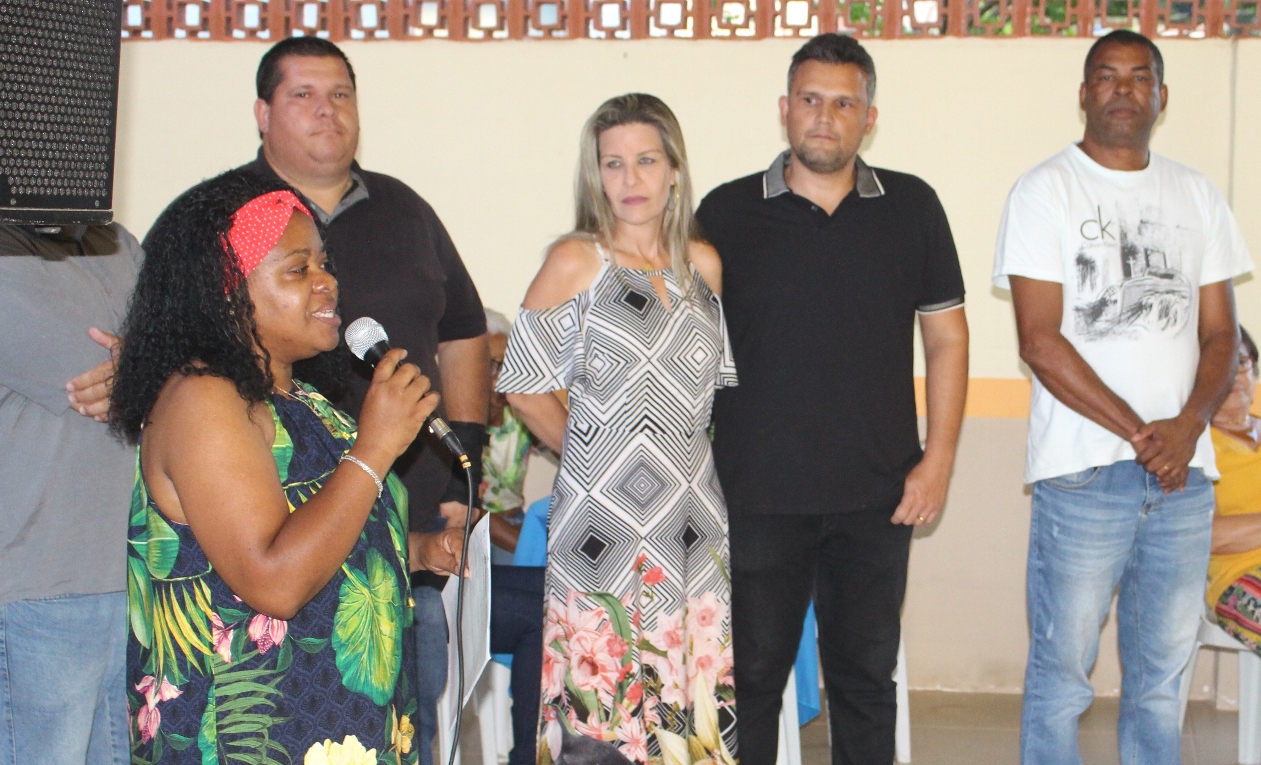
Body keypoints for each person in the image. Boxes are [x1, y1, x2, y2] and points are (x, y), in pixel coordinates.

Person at [695, 34, 969, 765]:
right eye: (810, 99)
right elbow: (684, 341)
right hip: (755, 495)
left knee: (864, 682)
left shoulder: (912, 206)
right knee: (749, 682)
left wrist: (938, 460)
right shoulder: (724, 212)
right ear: (784, 109)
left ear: (868, 118)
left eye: (844, 103)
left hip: (877, 496)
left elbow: (946, 339)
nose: (825, 116)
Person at [221, 37, 490, 764]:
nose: (327, 110)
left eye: (340, 93)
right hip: (265, 592)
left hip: (400, 546)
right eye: (303, 95)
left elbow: (465, 329)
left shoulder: (405, 209)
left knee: (408, 733)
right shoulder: (225, 214)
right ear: (262, 112)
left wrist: (461, 459)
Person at [112, 169, 439, 763]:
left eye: (324, 264)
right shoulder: (203, 401)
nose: (327, 283)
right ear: (227, 289)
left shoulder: (303, 402)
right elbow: (274, 581)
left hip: (338, 727)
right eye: (297, 269)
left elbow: (327, 532)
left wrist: (421, 551)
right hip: (252, 739)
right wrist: (374, 448)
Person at [992, 30, 1252, 764]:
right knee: (1061, 679)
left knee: (1161, 684)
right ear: (1083, 93)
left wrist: (1187, 429)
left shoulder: (1196, 193)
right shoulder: (1045, 190)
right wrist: (1148, 435)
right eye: (1107, 76)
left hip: (1183, 482)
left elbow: (1221, 334)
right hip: (1082, 475)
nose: (1123, 90)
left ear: (1162, 97)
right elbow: (1039, 340)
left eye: (1140, 78)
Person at [499, 93, 738, 765]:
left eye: (646, 161)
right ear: (595, 175)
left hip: (692, 518)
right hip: (601, 525)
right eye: (612, 163)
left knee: (685, 696)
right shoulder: (576, 260)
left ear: (674, 170)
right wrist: (591, 461)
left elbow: (704, 401)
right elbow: (522, 386)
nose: (630, 179)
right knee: (601, 706)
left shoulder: (703, 265)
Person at [0, 223, 142, 765]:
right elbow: (82, 365)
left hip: (134, 579)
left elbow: (195, 343)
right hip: (38, 588)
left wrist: (146, 366)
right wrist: (156, 367)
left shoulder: (116, 241)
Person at [1206, 328, 1261, 654]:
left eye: (1240, 362)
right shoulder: (1192, 448)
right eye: (1218, 364)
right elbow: (1207, 536)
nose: (1233, 375)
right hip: (1242, 575)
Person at [482, 308, 534, 561]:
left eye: (505, 365)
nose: (500, 378)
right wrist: (528, 546)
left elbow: (573, 446)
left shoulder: (521, 413)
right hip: (473, 529)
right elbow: (466, 511)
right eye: (492, 366)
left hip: (515, 522)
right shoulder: (451, 421)